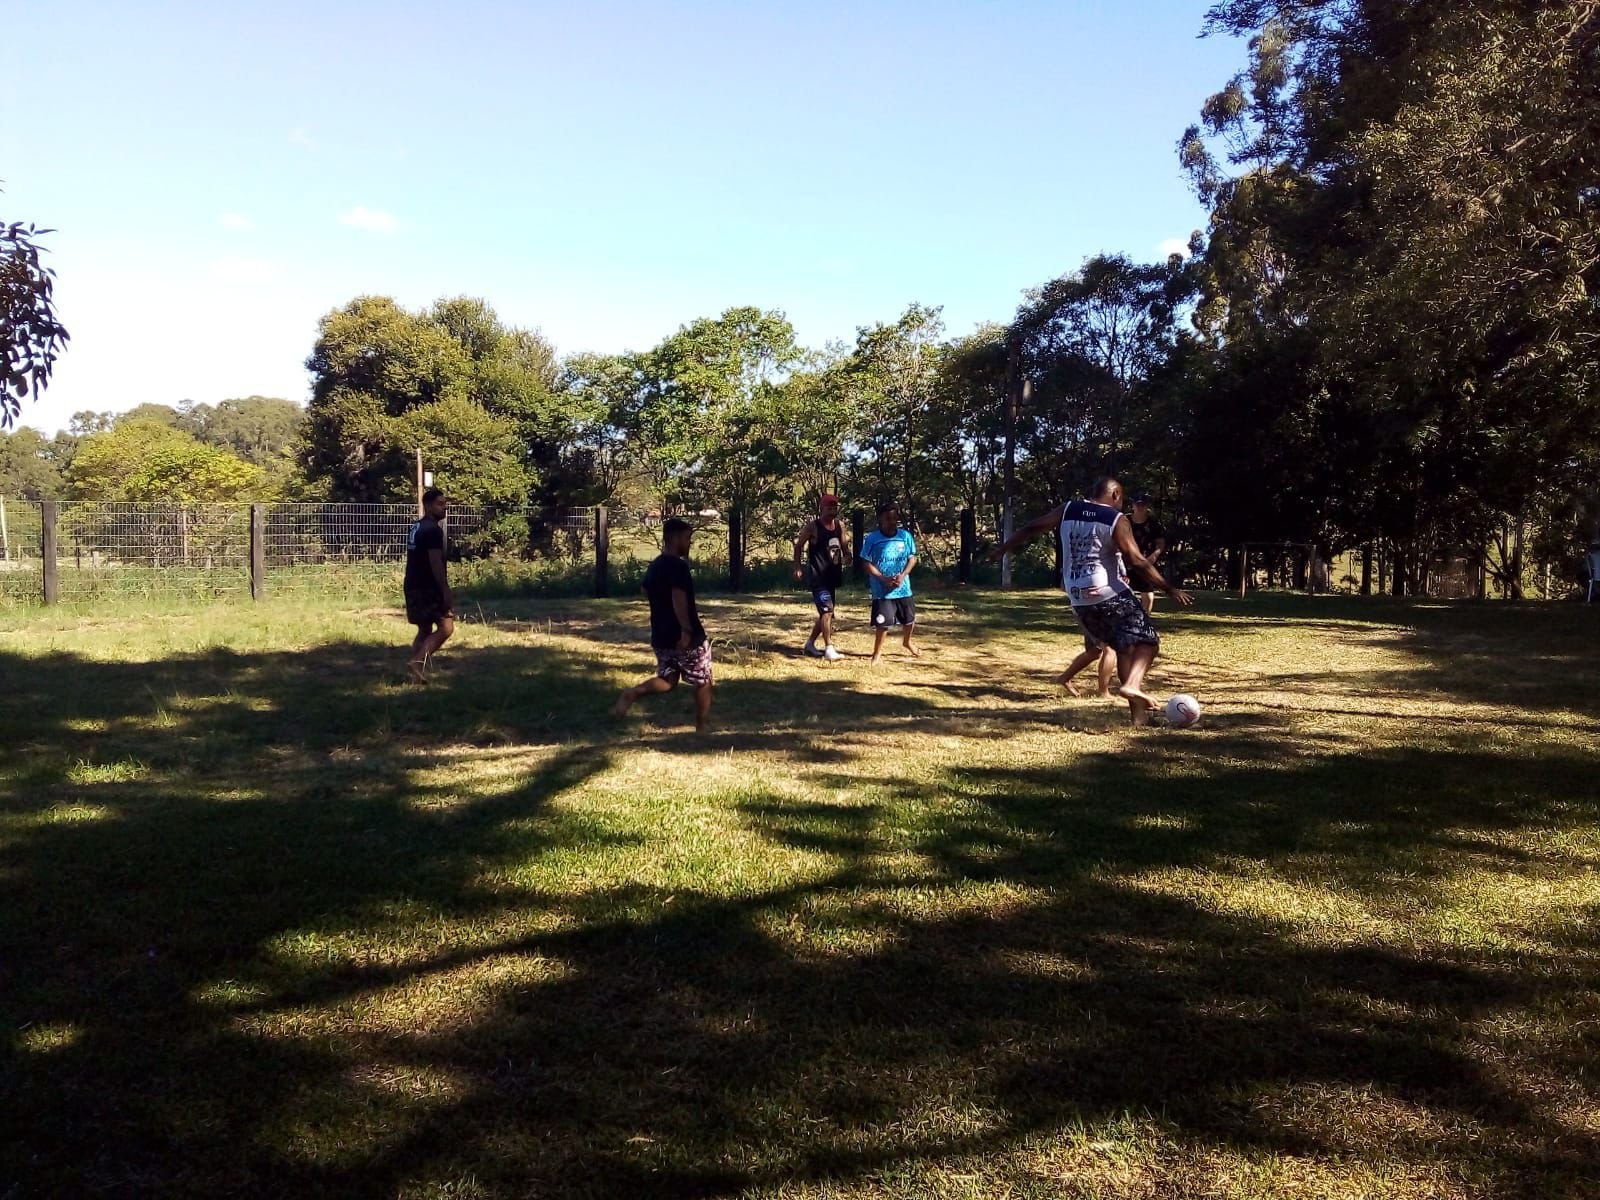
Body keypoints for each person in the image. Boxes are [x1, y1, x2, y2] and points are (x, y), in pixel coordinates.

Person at [992, 477, 1193, 726]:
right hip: (1108, 593)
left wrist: (1003, 549)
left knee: (1123, 648)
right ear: (1116, 494)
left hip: (1079, 599)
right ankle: (1131, 685)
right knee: (1148, 641)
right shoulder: (1116, 519)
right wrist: (1169, 588)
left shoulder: (1068, 509)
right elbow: (1137, 560)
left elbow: (1032, 527)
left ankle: (1138, 719)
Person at [611, 518, 713, 731]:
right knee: (703, 679)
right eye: (687, 538)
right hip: (685, 636)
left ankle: (634, 692)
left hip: (661, 635)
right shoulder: (678, 567)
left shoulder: (656, 565)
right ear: (674, 538)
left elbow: (645, 590)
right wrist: (686, 630)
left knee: (668, 679)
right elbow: (678, 598)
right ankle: (702, 727)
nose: (689, 543)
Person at [792, 494, 852, 660]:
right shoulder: (813, 527)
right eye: (829, 508)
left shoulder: (839, 525)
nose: (832, 511)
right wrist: (797, 566)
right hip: (817, 576)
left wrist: (848, 556)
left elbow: (844, 545)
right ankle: (829, 647)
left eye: (835, 508)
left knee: (828, 613)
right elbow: (798, 547)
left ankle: (810, 644)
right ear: (822, 508)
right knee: (827, 611)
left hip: (832, 575)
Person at [404, 488, 454, 684]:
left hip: (412, 583)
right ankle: (417, 662)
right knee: (446, 627)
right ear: (427, 505)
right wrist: (445, 590)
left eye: (445, 503)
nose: (445, 507)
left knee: (424, 629)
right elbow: (435, 562)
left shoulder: (416, 527)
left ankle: (416, 675)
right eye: (440, 504)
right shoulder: (433, 530)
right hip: (428, 586)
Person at [859, 500, 919, 663]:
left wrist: (903, 575)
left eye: (894, 518)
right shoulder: (872, 539)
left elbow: (912, 558)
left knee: (909, 620)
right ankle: (877, 654)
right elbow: (865, 562)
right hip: (882, 591)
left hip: (903, 588)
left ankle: (907, 642)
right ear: (880, 519)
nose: (892, 522)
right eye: (888, 519)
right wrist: (882, 578)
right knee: (883, 624)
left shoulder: (905, 536)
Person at [1128, 492, 1168, 614]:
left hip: (1146, 562)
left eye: (1143, 504)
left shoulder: (1154, 524)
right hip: (1126, 561)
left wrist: (1154, 556)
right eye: (1137, 504)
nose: (1140, 507)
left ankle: (1146, 618)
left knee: (1147, 590)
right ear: (1132, 505)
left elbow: (1160, 543)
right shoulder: (1124, 521)